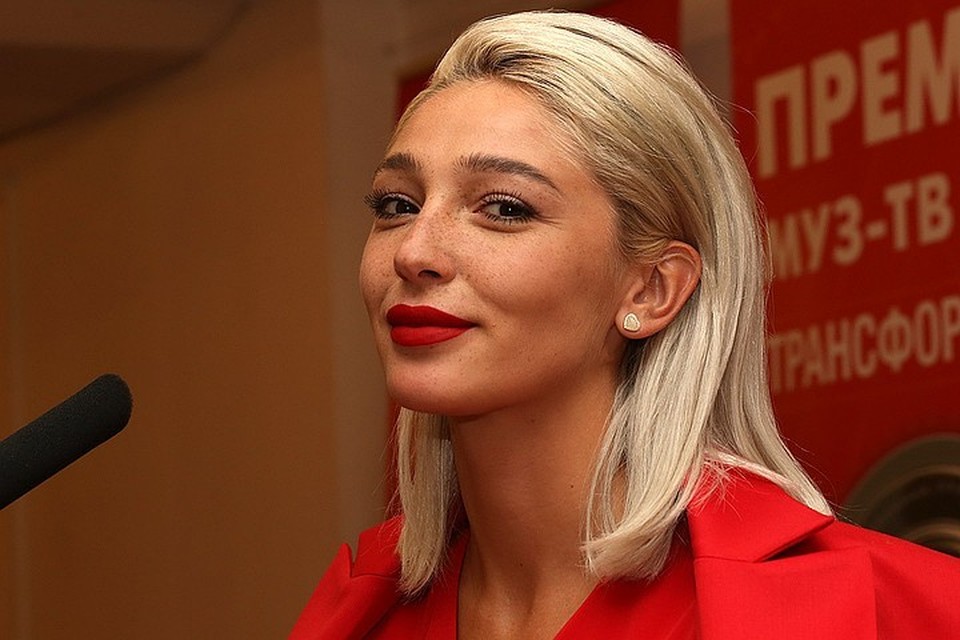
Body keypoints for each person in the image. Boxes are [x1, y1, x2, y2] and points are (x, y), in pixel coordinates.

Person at [290, 10, 960, 639]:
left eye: (504, 208)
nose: (413, 251)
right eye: (397, 204)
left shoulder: (898, 610)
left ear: (652, 287)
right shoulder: (355, 615)